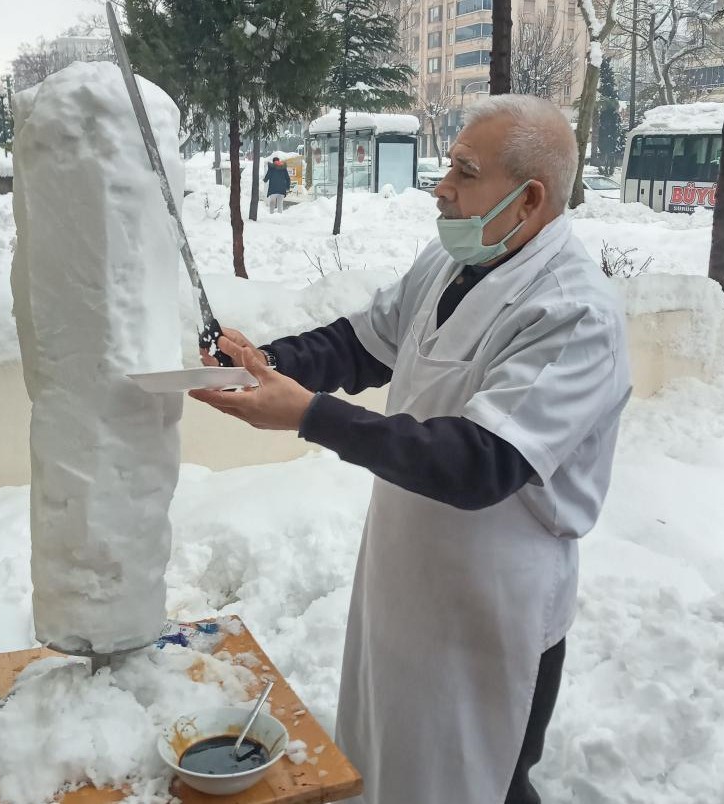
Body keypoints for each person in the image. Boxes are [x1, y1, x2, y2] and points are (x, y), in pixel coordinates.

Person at [191, 95, 632, 804]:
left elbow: (481, 460)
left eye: (465, 171)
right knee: (390, 757)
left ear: (529, 199)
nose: (441, 187)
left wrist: (309, 415)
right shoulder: (452, 259)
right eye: (448, 166)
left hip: (493, 604)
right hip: (405, 574)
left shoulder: (574, 313)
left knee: (479, 779)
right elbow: (362, 343)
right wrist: (264, 362)